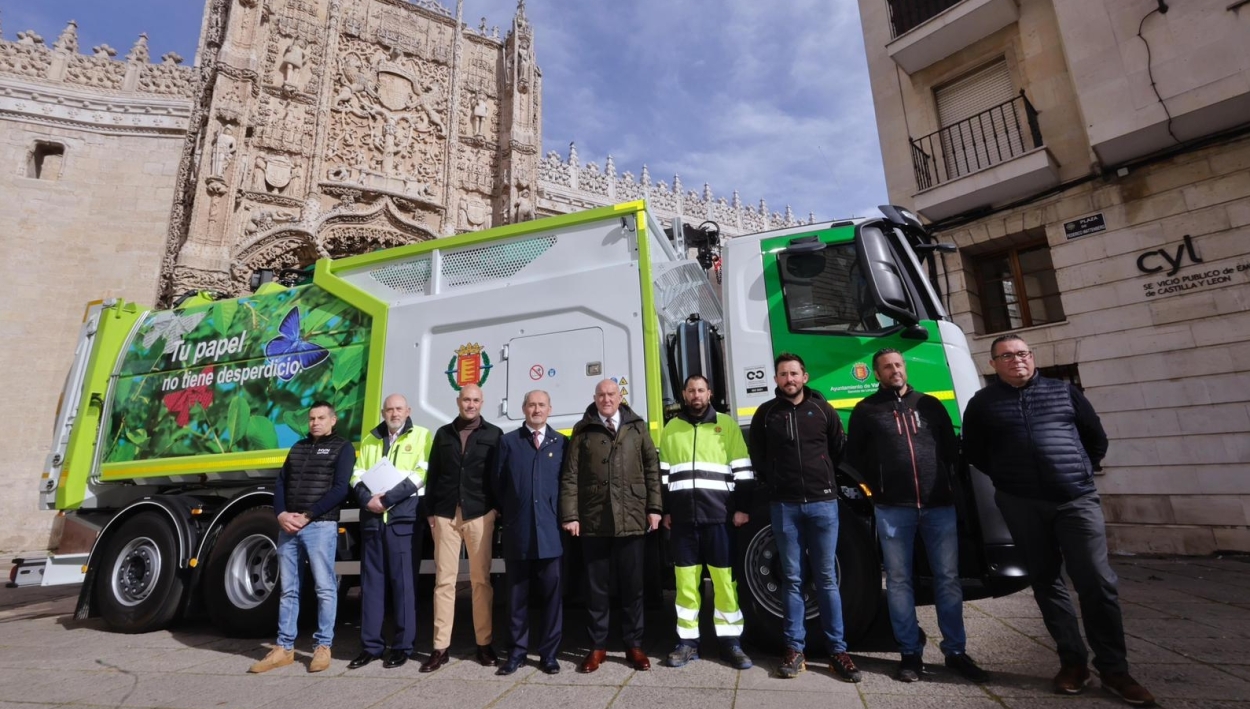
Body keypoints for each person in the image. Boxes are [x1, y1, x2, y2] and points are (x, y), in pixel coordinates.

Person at [963, 334, 1154, 707]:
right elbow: (975, 451)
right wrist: (1010, 479)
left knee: (1097, 583)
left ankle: (1115, 670)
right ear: (993, 364)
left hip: (1075, 501)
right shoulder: (983, 403)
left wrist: (1079, 472)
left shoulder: (1063, 392)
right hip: (1021, 503)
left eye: (1022, 354)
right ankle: (1073, 664)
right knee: (1046, 581)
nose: (1016, 360)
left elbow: (1095, 439)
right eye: (1006, 356)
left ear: (1032, 358)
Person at [846, 349, 988, 684]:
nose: (894, 370)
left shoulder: (929, 404)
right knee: (898, 582)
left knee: (948, 580)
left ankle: (956, 652)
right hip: (893, 509)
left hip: (939, 507)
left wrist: (944, 487)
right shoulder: (866, 411)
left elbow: (951, 453)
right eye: (886, 367)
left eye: (898, 365)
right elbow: (856, 458)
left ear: (904, 368)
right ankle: (910, 653)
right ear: (877, 374)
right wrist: (879, 489)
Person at [748, 353, 861, 682]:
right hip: (785, 507)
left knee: (826, 579)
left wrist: (824, 482)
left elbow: (839, 447)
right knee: (793, 580)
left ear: (805, 376)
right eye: (783, 374)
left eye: (794, 373)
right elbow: (758, 455)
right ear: (776, 380)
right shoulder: (766, 414)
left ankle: (838, 651)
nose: (789, 379)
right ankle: (794, 650)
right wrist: (775, 483)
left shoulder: (822, 409)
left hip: (824, 505)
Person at [560, 379, 662, 674]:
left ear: (620, 397)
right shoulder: (583, 430)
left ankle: (634, 645)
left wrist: (654, 508)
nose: (606, 399)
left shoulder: (637, 427)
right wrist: (570, 515)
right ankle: (597, 647)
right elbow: (570, 476)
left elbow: (652, 468)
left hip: (632, 516)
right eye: (601, 395)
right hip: (594, 520)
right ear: (595, 398)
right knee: (597, 589)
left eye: (611, 394)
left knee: (633, 587)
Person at [249, 401, 353, 674]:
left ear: (333, 420)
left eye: (321, 418)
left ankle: (323, 647)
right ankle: (284, 648)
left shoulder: (343, 448)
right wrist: (281, 514)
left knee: (324, 588)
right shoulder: (298, 448)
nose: (315, 422)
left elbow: (341, 488)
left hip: (320, 526)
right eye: (311, 418)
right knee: (289, 590)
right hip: (289, 526)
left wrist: (308, 515)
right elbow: (281, 482)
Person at [659, 376, 754, 670]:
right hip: (683, 521)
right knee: (685, 584)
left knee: (725, 583)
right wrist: (665, 510)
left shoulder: (726, 425)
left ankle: (730, 643)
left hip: (720, 517)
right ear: (684, 395)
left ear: (709, 393)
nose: (696, 395)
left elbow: (743, 469)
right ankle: (687, 643)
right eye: (691, 390)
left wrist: (742, 509)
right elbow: (663, 475)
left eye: (701, 390)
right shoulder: (672, 428)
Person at [347, 394, 433, 670]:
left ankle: (402, 646)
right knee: (371, 585)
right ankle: (371, 646)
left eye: (399, 409)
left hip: (403, 520)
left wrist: (389, 498)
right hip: (372, 520)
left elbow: (422, 473)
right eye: (389, 409)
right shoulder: (371, 439)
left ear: (408, 411)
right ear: (383, 412)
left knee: (404, 585)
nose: (394, 413)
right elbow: (356, 474)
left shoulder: (422, 435)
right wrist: (367, 499)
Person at [421, 383, 503, 672]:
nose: (471, 404)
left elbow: (499, 476)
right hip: (445, 515)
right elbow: (434, 475)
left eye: (476, 400)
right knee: (444, 582)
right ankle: (440, 648)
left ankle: (484, 644)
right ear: (458, 401)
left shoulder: (494, 435)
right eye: (466, 399)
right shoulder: (444, 434)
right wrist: (430, 512)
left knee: (481, 581)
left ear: (482, 402)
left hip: (480, 514)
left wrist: (495, 509)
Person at [493, 390, 566, 676]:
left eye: (541, 405)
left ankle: (549, 654)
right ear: (523, 408)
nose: (536, 409)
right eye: (531, 404)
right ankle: (516, 653)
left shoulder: (561, 443)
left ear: (550, 409)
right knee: (516, 598)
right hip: (518, 532)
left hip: (550, 533)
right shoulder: (508, 442)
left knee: (552, 597)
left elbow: (566, 485)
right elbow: (498, 485)